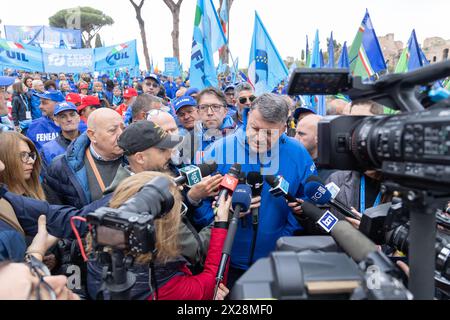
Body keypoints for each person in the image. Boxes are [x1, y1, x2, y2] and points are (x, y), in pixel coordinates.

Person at [196, 93, 317, 289]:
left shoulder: (298, 153)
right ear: (247, 118)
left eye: (269, 133)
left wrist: (284, 238)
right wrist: (219, 223)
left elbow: (304, 198)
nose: (260, 138)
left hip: (275, 259)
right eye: (255, 128)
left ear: (284, 128)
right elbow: (198, 200)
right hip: (226, 261)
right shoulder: (218, 150)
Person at [88, 171, 231, 300]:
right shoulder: (165, 287)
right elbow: (213, 283)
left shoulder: (99, 245)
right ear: (164, 226)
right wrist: (222, 223)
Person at [44, 108, 125, 208]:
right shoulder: (62, 167)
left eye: (123, 128)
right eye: (112, 130)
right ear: (92, 135)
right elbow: (57, 215)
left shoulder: (136, 156)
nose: (121, 135)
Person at [0, 132, 45, 200]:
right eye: (23, 155)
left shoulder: (40, 190)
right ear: (5, 158)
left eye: (30, 155)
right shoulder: (3, 204)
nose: (31, 161)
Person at [195, 87, 237, 160]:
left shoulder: (240, 138)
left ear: (225, 111)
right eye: (203, 107)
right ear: (198, 112)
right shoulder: (190, 141)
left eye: (215, 107)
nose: (209, 113)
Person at [40, 102, 83, 170]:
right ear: (56, 121)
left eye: (72, 115)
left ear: (78, 118)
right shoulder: (47, 150)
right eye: (63, 116)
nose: (69, 119)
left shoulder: (90, 143)